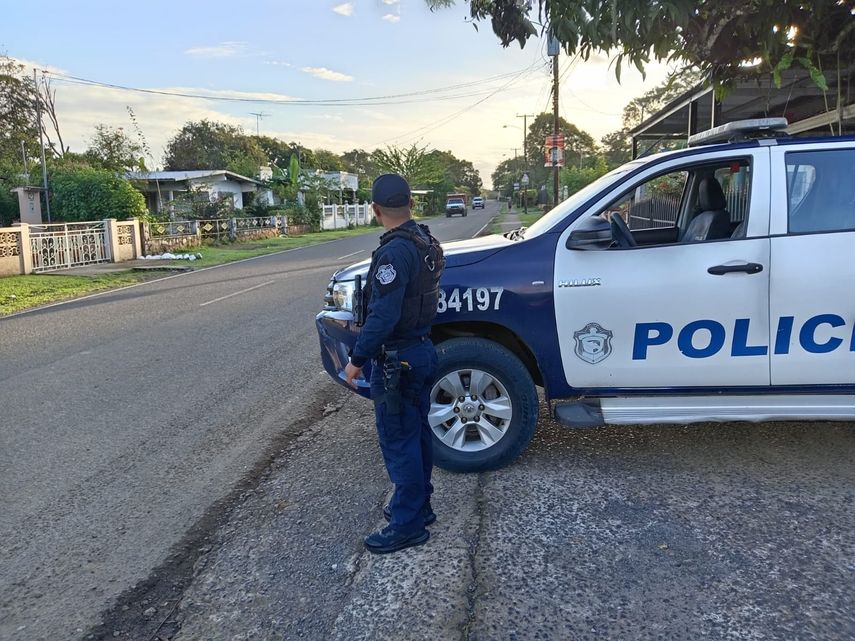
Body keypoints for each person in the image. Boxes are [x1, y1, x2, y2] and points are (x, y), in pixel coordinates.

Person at [343, 173, 445, 554]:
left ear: (375, 210)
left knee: (399, 441)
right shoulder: (426, 242)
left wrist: (357, 359)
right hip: (420, 351)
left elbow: (382, 316)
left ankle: (407, 525)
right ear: (411, 204)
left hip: (396, 360)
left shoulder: (394, 252)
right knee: (417, 434)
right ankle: (421, 507)